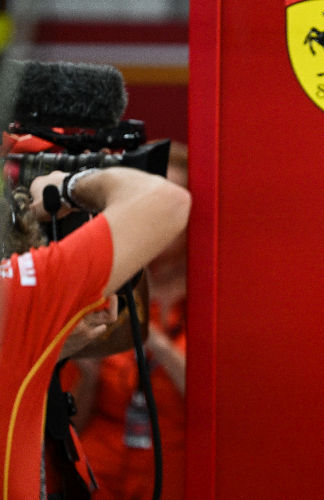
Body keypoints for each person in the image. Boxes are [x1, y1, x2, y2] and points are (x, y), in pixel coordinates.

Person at [0, 166, 191, 498]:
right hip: (106, 465)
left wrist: (53, 348)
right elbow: (164, 200)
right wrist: (68, 186)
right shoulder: (17, 292)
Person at [63, 141, 189, 499]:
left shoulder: (213, 296)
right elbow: (71, 420)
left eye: (169, 208)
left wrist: (157, 344)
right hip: (101, 470)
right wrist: (83, 369)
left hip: (173, 472)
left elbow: (222, 409)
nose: (158, 221)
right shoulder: (103, 282)